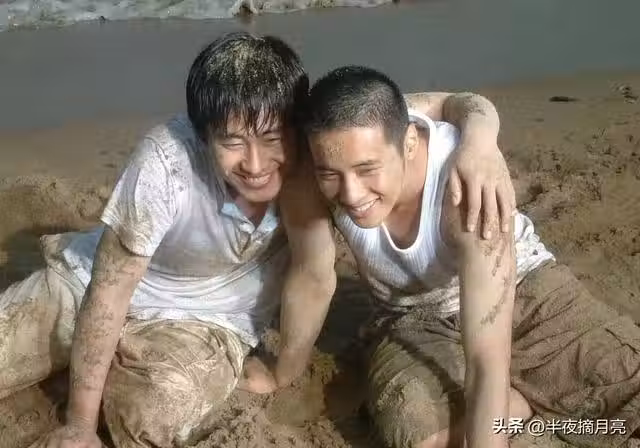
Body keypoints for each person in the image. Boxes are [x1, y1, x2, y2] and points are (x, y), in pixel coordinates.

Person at [0, 33, 512, 448]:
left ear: (298, 127)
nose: (255, 164)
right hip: (87, 285)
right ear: (202, 134)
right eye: (232, 142)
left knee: (147, 418)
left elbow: (428, 107)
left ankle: (105, 370)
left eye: (272, 139)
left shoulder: (325, 158)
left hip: (207, 323)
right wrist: (79, 425)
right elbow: (109, 292)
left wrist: (481, 141)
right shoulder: (165, 162)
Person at [269, 65, 640, 448]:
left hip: (524, 290)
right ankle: (520, 411)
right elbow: (311, 275)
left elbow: (486, 360)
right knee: (422, 436)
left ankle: (523, 412)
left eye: (368, 169)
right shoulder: (323, 150)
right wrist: (283, 371)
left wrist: (479, 146)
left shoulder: (463, 193)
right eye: (330, 174)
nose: (351, 194)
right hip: (413, 317)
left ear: (409, 142)